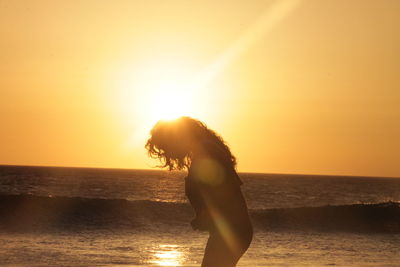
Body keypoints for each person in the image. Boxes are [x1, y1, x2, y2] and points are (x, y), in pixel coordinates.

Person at [145, 116, 253, 267]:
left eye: (166, 146)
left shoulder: (207, 152)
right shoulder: (205, 150)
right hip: (231, 230)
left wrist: (206, 215)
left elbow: (224, 191)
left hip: (232, 231)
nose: (168, 152)